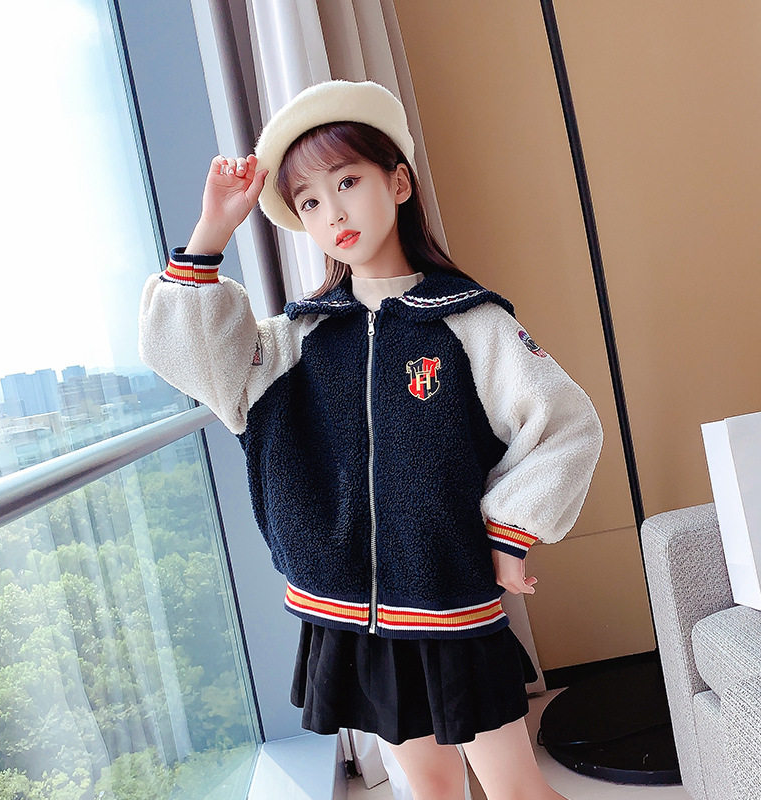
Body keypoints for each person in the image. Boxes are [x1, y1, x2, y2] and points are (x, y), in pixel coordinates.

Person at [139, 80, 603, 800]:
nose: (333, 212)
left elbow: (565, 424)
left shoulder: (470, 323)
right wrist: (212, 231)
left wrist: (509, 535)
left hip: (448, 603)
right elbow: (194, 359)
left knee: (517, 791)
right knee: (431, 790)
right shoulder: (295, 341)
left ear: (399, 182)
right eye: (308, 202)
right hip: (349, 613)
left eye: (347, 182)